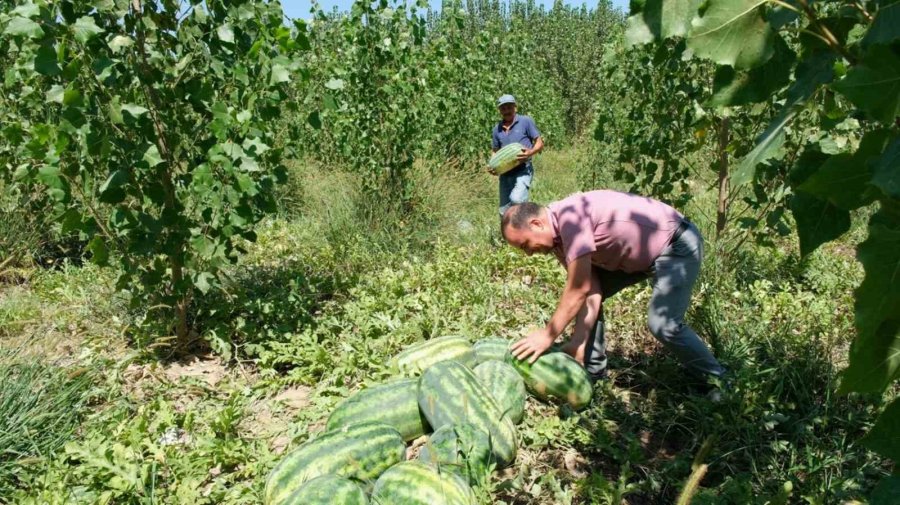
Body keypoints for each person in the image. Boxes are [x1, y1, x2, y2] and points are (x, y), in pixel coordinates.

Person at [501, 191, 726, 385]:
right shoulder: (558, 241)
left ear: (536, 224)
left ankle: (719, 381)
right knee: (582, 298)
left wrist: (547, 335)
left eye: (525, 245)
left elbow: (578, 289)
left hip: (676, 244)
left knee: (664, 324)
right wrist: (578, 341)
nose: (529, 253)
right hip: (639, 258)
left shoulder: (571, 218)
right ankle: (593, 369)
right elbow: (589, 289)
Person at [490, 94, 544, 216]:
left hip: (523, 169)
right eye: (503, 108)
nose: (506, 111)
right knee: (504, 212)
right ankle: (509, 234)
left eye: (509, 107)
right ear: (499, 111)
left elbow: (540, 143)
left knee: (517, 200)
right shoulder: (496, 129)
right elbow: (495, 151)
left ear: (515, 107)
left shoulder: (526, 121)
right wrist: (492, 165)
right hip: (505, 172)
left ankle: (527, 223)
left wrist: (530, 152)